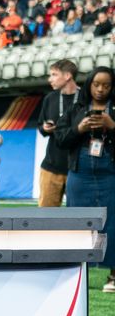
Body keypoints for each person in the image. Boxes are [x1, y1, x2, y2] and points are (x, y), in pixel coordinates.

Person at [54, 66, 115, 292]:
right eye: (96, 84)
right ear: (89, 85)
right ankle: (77, 273)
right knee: (77, 222)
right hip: (79, 173)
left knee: (113, 222)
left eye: (106, 85)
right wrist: (79, 129)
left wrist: (112, 126)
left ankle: (113, 276)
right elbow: (60, 139)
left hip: (110, 173)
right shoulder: (75, 109)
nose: (100, 89)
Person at [37, 59, 79, 206]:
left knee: (79, 217)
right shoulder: (50, 98)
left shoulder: (84, 99)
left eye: (54, 74)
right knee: (45, 219)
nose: (50, 79)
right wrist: (45, 128)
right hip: (51, 167)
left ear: (67, 76)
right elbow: (40, 126)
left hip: (77, 169)